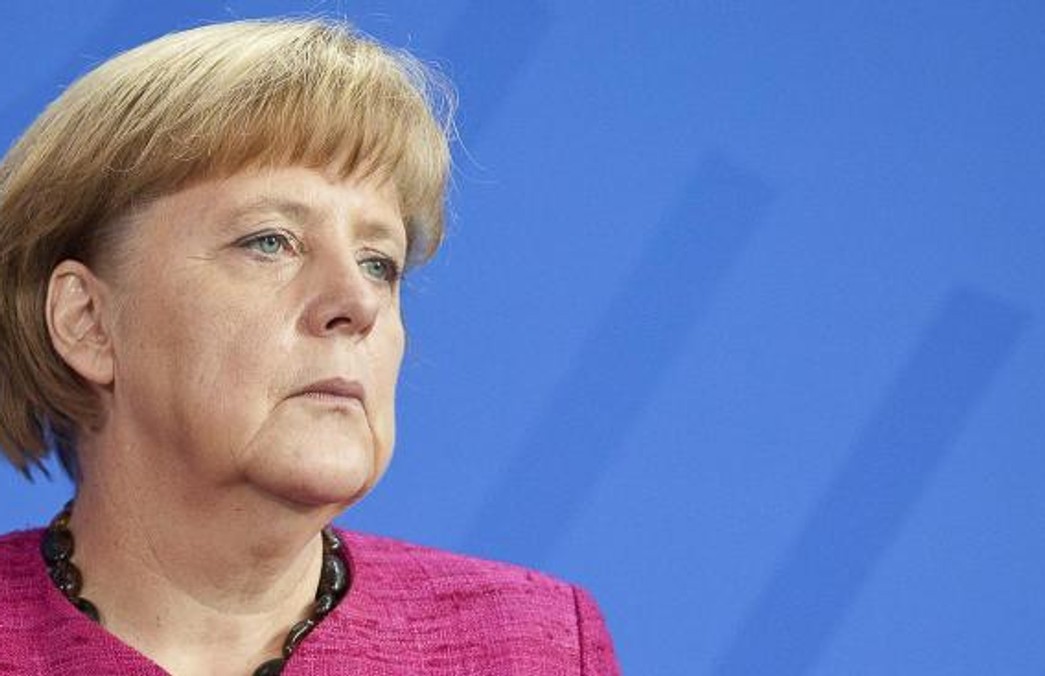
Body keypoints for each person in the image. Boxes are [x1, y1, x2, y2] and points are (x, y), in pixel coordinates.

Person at [0, 18, 619, 676]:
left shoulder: (533, 647)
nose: (357, 304)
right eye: (270, 241)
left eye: (379, 263)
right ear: (88, 321)